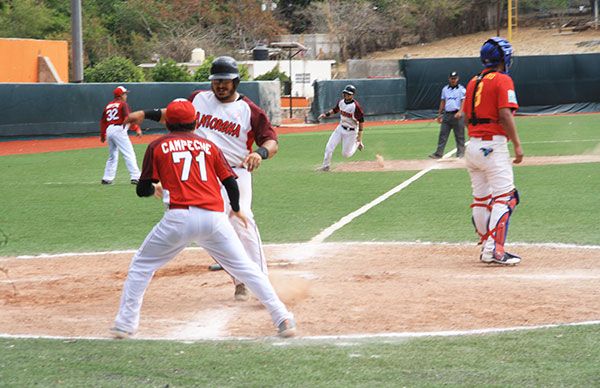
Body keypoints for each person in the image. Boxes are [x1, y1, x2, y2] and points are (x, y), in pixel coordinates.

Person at [111, 99, 296, 339]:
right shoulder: (209, 146)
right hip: (214, 218)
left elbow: (142, 189)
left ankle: (125, 324)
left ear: (168, 123)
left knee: (142, 266)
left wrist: (155, 187)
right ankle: (282, 317)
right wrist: (237, 208)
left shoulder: (157, 146)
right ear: (195, 122)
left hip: (178, 218)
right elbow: (230, 181)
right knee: (248, 269)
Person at [124, 56, 278, 302]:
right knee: (209, 229)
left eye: (226, 81)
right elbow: (173, 114)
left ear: (236, 81)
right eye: (217, 80)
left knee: (243, 220)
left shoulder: (248, 109)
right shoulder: (199, 99)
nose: (221, 85)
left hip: (235, 172)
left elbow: (271, 141)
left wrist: (259, 153)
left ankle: (262, 283)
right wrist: (144, 114)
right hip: (203, 172)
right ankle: (240, 281)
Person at [463, 37, 524, 265]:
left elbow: (465, 115)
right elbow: (505, 113)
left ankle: (486, 244)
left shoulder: (472, 81)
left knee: (481, 199)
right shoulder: (503, 80)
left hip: (473, 146)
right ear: (504, 58)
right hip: (493, 146)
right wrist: (517, 144)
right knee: (506, 198)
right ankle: (493, 250)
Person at [317, 84, 365, 171]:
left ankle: (357, 143)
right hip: (340, 128)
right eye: (345, 93)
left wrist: (359, 137)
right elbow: (335, 110)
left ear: (352, 95)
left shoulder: (355, 106)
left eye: (349, 94)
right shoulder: (341, 102)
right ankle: (326, 166)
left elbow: (361, 121)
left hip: (351, 131)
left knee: (346, 154)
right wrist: (325, 114)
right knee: (329, 147)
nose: (346, 95)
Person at [100, 86, 142, 185]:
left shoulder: (108, 105)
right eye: (125, 94)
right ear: (121, 95)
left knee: (112, 155)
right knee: (129, 153)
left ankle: (107, 178)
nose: (126, 96)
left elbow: (103, 121)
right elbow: (128, 118)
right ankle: (135, 176)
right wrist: (136, 128)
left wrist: (103, 135)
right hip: (119, 129)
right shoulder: (123, 104)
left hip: (109, 129)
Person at [429, 71, 466, 159]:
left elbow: (463, 101)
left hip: (457, 114)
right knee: (443, 134)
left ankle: (460, 153)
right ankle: (439, 153)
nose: (453, 80)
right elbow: (443, 101)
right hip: (447, 114)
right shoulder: (445, 89)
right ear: (449, 79)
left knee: (460, 135)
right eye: (452, 78)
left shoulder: (462, 89)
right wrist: (440, 114)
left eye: (455, 78)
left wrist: (460, 111)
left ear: (457, 79)